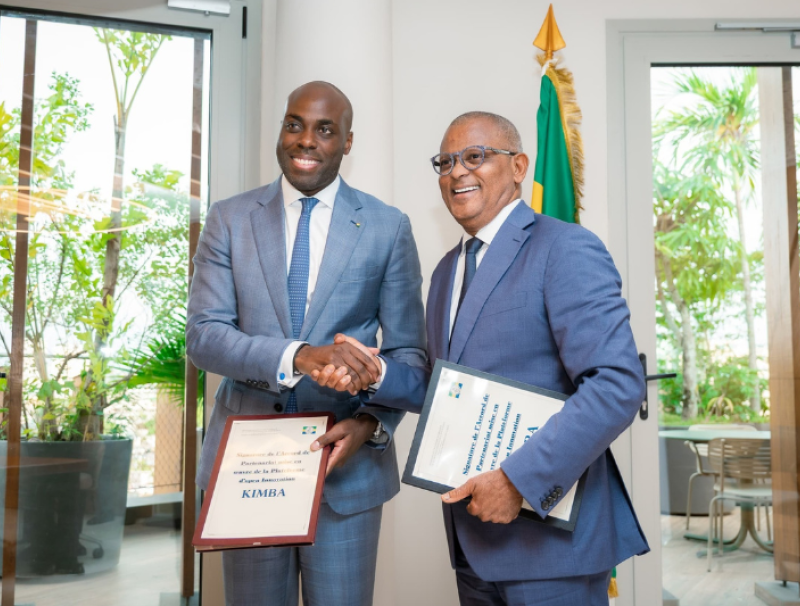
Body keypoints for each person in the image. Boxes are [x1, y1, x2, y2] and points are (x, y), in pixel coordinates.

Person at [313, 111, 649, 605]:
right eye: (445, 162)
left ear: (518, 167)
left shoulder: (566, 248)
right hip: (473, 544)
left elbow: (616, 384)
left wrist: (518, 481)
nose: (455, 172)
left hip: (552, 550)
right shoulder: (447, 270)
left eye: (474, 156)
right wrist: (375, 373)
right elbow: (446, 387)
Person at [186, 80, 427, 606]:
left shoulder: (388, 229)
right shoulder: (229, 220)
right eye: (294, 124)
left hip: (345, 473)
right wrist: (299, 356)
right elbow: (204, 337)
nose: (305, 140)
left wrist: (370, 424)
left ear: (347, 141)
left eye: (324, 130)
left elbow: (410, 356)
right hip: (249, 471)